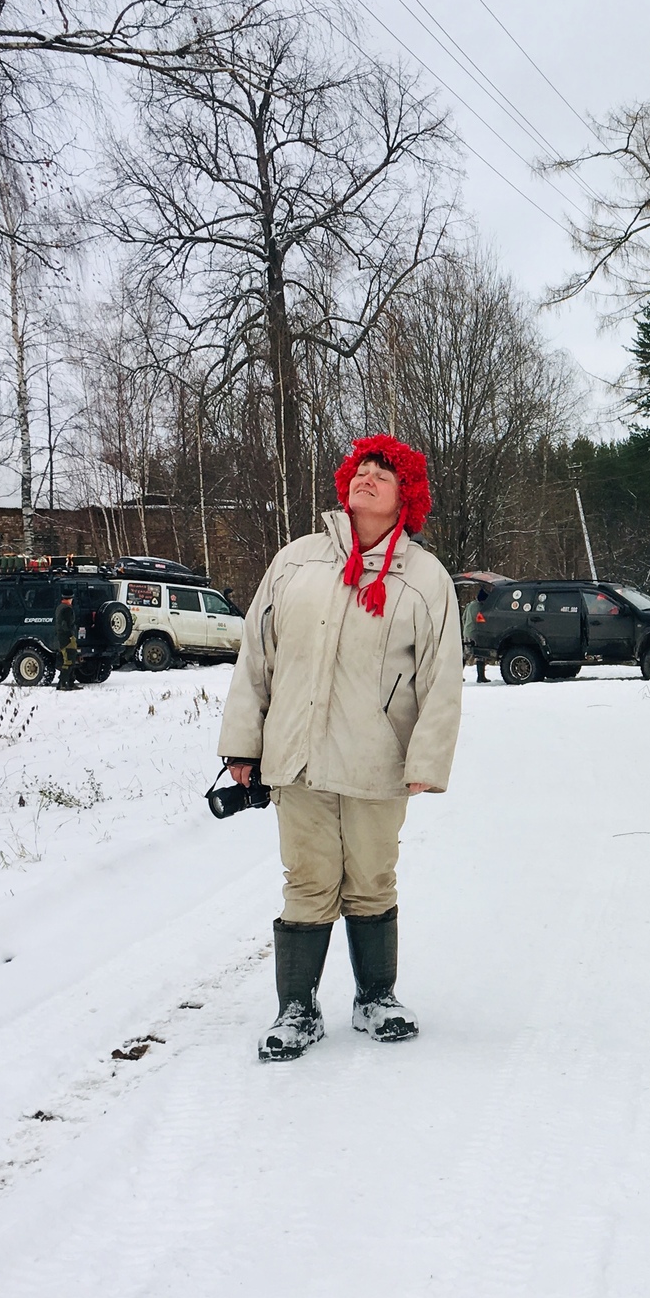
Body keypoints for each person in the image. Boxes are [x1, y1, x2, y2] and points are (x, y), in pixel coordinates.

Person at [218, 434, 464, 1061]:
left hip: (376, 760)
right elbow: (257, 657)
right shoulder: (296, 561)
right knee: (307, 878)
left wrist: (427, 761)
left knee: (371, 879)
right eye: (361, 469)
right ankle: (296, 1011)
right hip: (296, 756)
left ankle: (375, 997)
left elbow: (442, 676)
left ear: (406, 495)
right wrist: (243, 745)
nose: (368, 478)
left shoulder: (426, 577)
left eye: (384, 473)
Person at [53, 594, 81, 690]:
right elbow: (66, 624)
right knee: (69, 660)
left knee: (69, 660)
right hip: (67, 638)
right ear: (71, 598)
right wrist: (70, 635)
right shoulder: (67, 609)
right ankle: (63, 683)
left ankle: (68, 682)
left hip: (62, 637)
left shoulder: (60, 607)